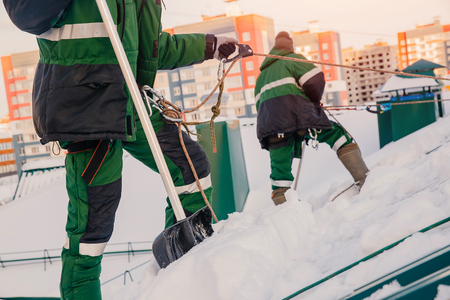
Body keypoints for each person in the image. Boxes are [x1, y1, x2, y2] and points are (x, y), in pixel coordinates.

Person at [3, 0, 238, 298]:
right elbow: (25, 13)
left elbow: (152, 48)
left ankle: (182, 274)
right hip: (86, 111)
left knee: (191, 167)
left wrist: (211, 46)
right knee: (92, 229)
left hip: (132, 103)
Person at [255, 31, 369, 205]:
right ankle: (365, 180)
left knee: (280, 172)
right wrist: (313, 102)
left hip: (270, 126)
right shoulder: (292, 59)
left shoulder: (261, 77)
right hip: (297, 115)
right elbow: (315, 79)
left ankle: (286, 215)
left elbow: (259, 105)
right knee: (336, 135)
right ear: (289, 46)